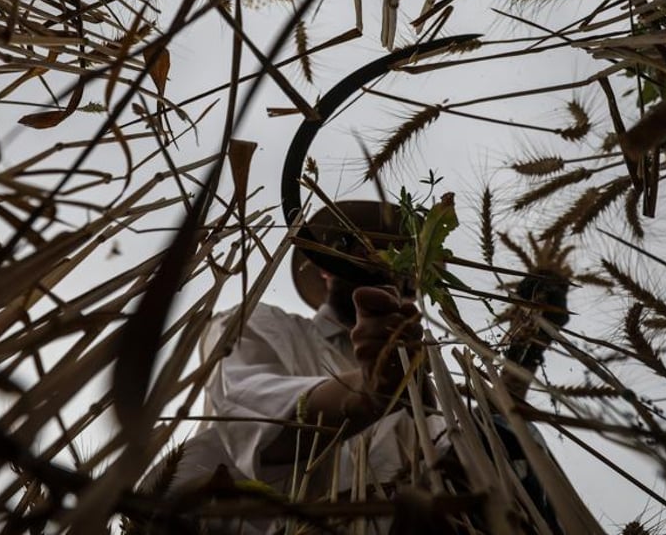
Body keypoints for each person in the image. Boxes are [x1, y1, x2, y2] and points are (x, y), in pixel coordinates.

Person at [148, 200, 565, 534]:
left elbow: (481, 451)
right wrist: (367, 391)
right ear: (327, 263)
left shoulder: (422, 384)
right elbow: (249, 411)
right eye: (366, 246)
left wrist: (524, 350)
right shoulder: (264, 324)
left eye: (404, 257)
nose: (387, 260)